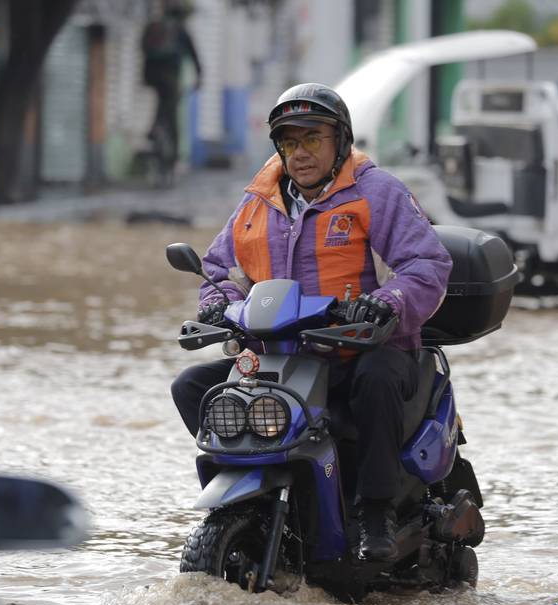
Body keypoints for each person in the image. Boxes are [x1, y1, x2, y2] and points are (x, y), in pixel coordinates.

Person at [170, 83, 452, 562]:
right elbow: (221, 271)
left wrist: (387, 302)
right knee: (192, 386)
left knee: (377, 380)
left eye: (312, 139)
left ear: (339, 140)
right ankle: (254, 495)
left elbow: (427, 264)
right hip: (282, 358)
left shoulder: (375, 192)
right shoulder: (258, 203)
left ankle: (375, 512)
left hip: (361, 349)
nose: (300, 154)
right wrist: (218, 305)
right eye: (290, 143)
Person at [141, 0, 202, 163]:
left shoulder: (154, 25)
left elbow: (143, 49)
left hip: (151, 75)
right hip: (170, 76)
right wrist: (199, 76)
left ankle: (155, 128)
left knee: (162, 102)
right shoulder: (180, 29)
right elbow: (194, 55)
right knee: (172, 111)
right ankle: (173, 156)